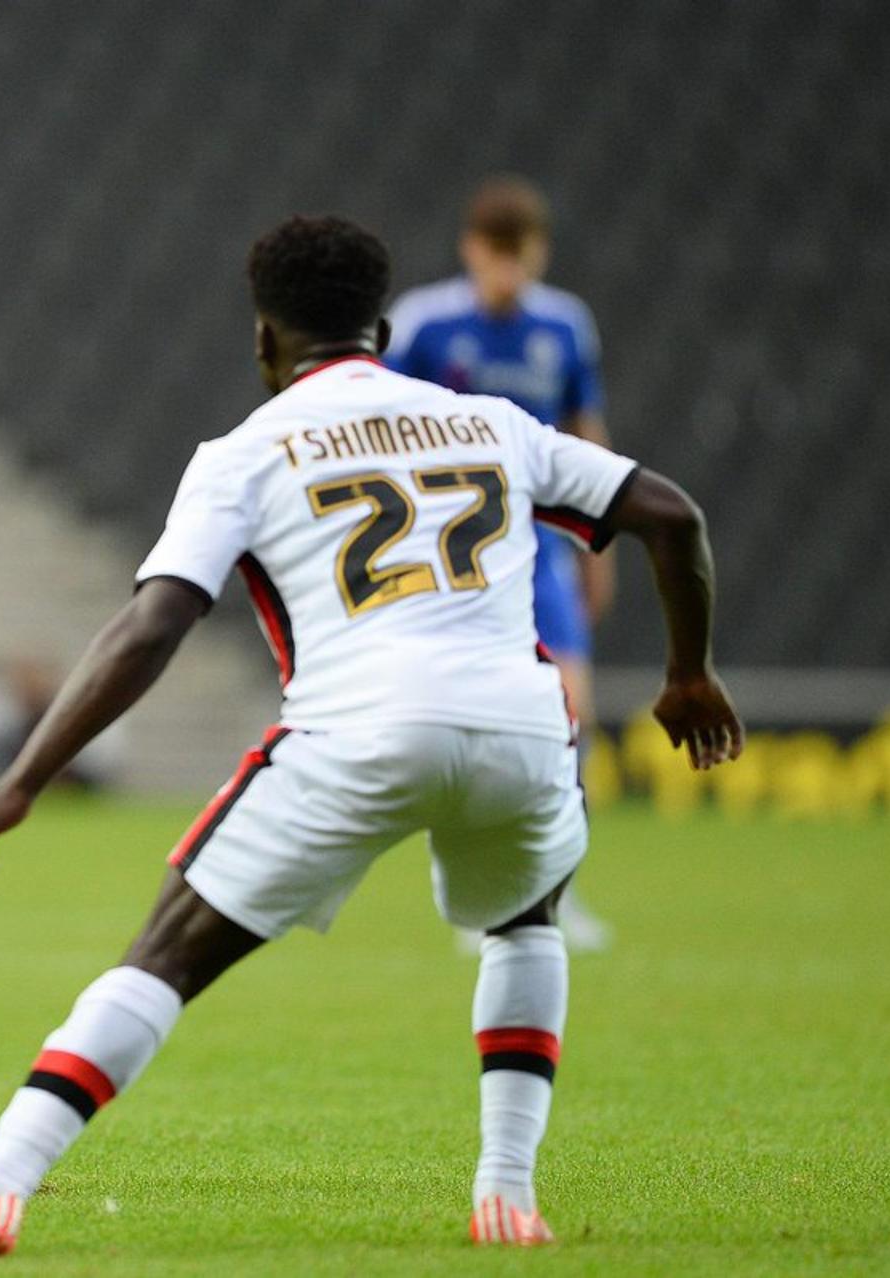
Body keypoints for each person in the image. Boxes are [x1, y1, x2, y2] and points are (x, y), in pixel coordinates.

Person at [0, 216, 740, 1255]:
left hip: (357, 731)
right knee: (526, 922)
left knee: (163, 959)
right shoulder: (492, 421)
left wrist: (22, 782)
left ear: (265, 339)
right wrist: (688, 673)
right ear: (386, 327)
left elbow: (154, 623)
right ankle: (506, 1195)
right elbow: (672, 515)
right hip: (521, 727)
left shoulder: (246, 452)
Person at [387, 175, 616, 951]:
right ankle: (475, 891)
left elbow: (587, 431)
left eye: (524, 258)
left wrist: (599, 538)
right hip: (451, 555)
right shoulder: (425, 325)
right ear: (471, 251)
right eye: (498, 258)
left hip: (541, 553)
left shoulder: (565, 327)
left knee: (569, 713)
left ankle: (555, 892)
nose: (509, 275)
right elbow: (378, 428)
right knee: (459, 719)